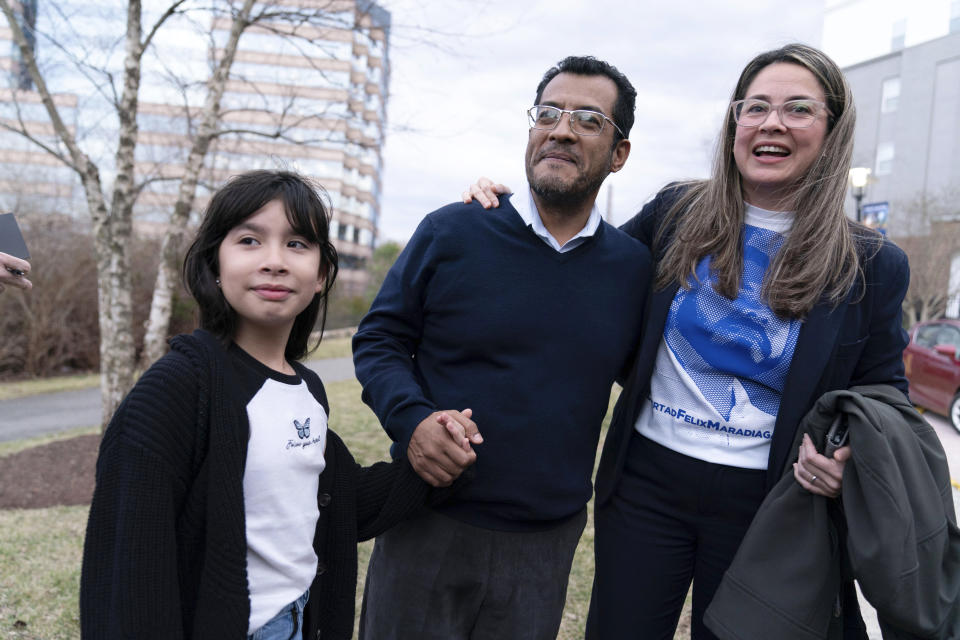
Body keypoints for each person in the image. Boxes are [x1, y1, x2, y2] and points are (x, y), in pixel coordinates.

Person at [464, 43, 910, 639]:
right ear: (734, 125)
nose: (771, 123)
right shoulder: (678, 211)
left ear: (830, 130)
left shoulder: (872, 262)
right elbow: (579, 267)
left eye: (798, 109)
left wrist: (850, 459)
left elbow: (885, 393)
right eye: (755, 108)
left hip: (771, 500)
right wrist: (506, 218)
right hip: (648, 481)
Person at [79, 170, 473, 640]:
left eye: (297, 244)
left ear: (322, 275)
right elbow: (129, 568)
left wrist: (437, 456)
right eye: (249, 240)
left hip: (303, 622)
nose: (274, 262)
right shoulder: (177, 389)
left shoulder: (305, 388)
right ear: (214, 263)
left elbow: (337, 503)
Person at [353, 56, 651, 640]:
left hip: (544, 545)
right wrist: (412, 423)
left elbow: (649, 376)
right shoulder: (452, 231)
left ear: (619, 154)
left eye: (588, 119)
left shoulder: (633, 269)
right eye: (548, 113)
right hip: (425, 523)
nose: (560, 129)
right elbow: (380, 339)